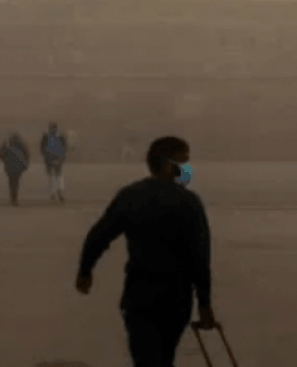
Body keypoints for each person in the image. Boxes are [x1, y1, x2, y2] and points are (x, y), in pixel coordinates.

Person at [75, 136, 217, 367]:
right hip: (176, 298)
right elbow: (200, 259)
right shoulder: (190, 203)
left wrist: (85, 270)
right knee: (165, 357)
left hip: (140, 293)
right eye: (185, 161)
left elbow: (99, 235)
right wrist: (204, 304)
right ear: (168, 164)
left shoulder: (131, 196)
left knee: (144, 358)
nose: (189, 168)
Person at [0, 133, 30, 206]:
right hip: (18, 168)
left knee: (11, 183)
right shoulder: (21, 145)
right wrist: (25, 165)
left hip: (9, 167)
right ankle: (14, 198)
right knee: (16, 183)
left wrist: (5, 160)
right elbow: (26, 155)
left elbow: (0, 155)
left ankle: (13, 198)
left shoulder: (7, 146)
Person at [41, 121, 67, 203]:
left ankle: (54, 192)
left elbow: (42, 148)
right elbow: (64, 148)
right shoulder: (60, 137)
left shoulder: (46, 137)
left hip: (50, 159)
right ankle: (58, 192)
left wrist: (46, 156)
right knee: (58, 176)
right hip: (58, 159)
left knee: (52, 177)